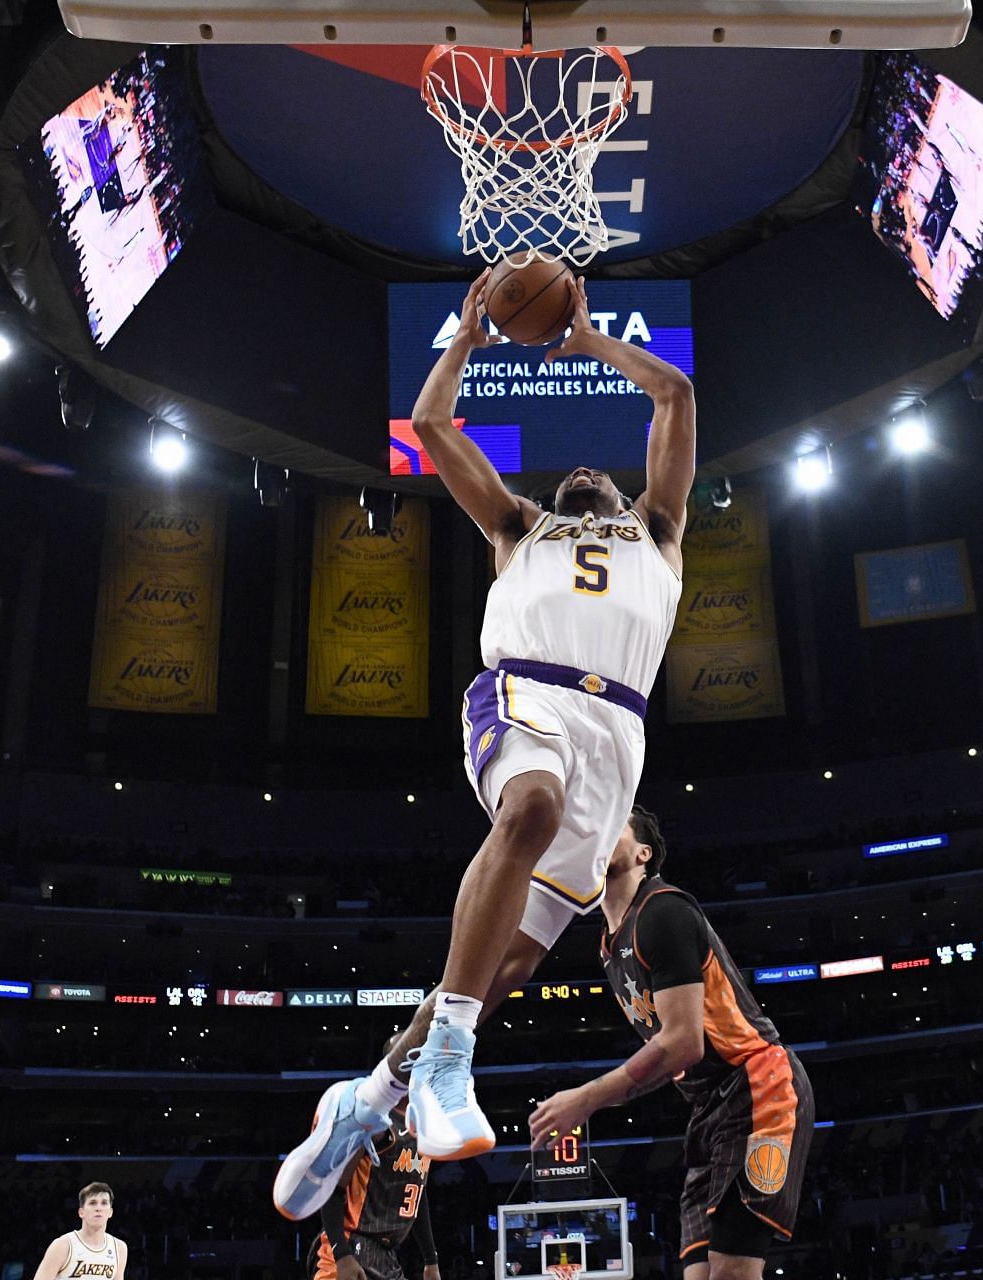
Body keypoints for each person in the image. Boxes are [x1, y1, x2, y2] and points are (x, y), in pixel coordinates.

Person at [275, 269, 695, 1218]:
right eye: (572, 477)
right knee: (531, 807)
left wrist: (587, 343)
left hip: (617, 736)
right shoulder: (518, 528)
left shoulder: (660, 534)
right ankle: (450, 1061)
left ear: (624, 496)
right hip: (524, 695)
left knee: (502, 965)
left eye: (601, 476)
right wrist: (465, 339)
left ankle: (367, 1098)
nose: (586, 474)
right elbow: (430, 429)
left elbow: (675, 395)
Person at [527, 807, 812, 1280]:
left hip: (757, 1084)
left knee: (730, 1272)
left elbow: (682, 1043)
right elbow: (670, 1058)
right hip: (707, 1109)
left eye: (613, 822)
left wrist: (586, 1099)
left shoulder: (664, 910)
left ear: (644, 853)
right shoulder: (608, 942)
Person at [308, 1096, 443, 1280]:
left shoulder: (425, 1130)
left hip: (387, 1255)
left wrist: (431, 1260)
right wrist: (341, 1254)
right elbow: (332, 1189)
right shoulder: (376, 1122)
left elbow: (417, 1195)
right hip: (350, 1243)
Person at [33, 1182, 127, 1280]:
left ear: (110, 1212)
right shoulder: (63, 1246)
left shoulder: (119, 1248)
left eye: (104, 1203)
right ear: (81, 1212)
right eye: (93, 1203)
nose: (98, 1208)